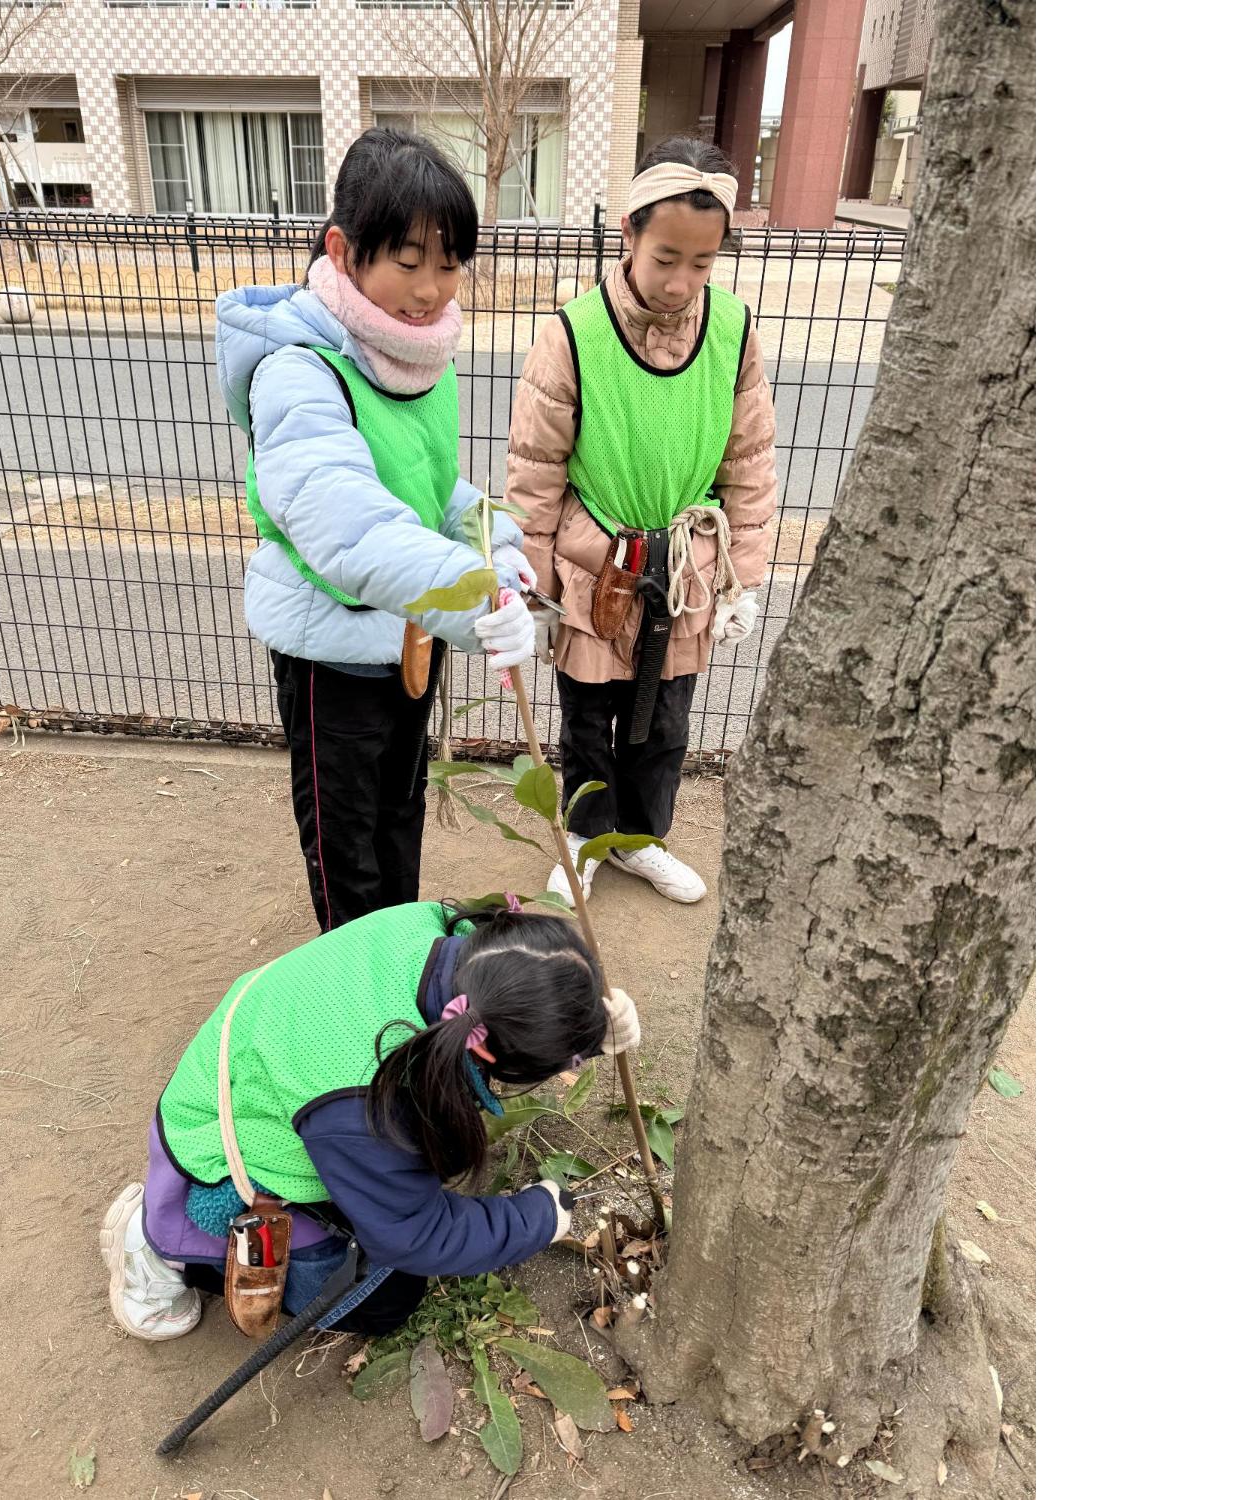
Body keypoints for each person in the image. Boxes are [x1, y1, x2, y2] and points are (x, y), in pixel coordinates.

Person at [216, 127, 538, 932]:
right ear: (344, 250)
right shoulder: (299, 370)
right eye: (408, 260)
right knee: (346, 845)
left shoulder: (415, 355)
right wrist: (475, 597)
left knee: (400, 811)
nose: (430, 289)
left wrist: (501, 552)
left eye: (449, 263)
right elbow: (349, 525)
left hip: (407, 638)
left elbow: (429, 485)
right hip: (332, 651)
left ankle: (398, 963)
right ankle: (353, 990)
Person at [97, 899, 641, 1339]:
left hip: (259, 1078)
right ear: (487, 1052)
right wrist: (536, 1218)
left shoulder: (433, 927)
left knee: (388, 1204)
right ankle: (160, 1248)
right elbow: (414, 1236)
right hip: (218, 1157)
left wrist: (589, 1030)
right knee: (386, 1298)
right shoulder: (370, 1100)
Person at [505, 138, 778, 907]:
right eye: (665, 257)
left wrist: (743, 579)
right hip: (594, 562)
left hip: (687, 565)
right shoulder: (574, 333)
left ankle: (642, 839)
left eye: (702, 262)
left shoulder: (732, 330)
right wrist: (532, 588)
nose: (681, 281)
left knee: (665, 721)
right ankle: (588, 837)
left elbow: (749, 458)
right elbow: (535, 470)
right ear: (628, 232)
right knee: (588, 715)